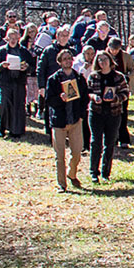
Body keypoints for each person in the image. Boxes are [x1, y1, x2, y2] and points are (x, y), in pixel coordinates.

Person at [44, 49, 86, 192]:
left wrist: (81, 116)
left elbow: (84, 99)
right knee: (59, 155)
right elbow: (48, 100)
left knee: (77, 152)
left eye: (69, 58)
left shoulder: (79, 78)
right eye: (65, 59)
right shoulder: (53, 79)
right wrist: (59, 98)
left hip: (75, 121)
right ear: (60, 62)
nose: (68, 61)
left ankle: (72, 173)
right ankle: (61, 184)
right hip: (59, 122)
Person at [86, 51, 129, 183]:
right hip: (96, 112)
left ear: (110, 61)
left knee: (109, 143)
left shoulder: (119, 77)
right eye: (99, 60)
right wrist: (94, 97)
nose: (102, 62)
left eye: (105, 59)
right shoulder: (93, 76)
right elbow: (88, 92)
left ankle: (106, 172)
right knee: (95, 142)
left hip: (113, 113)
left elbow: (126, 93)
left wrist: (115, 98)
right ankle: (94, 172)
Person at [0, 28, 34, 138]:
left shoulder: (24, 51)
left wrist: (26, 67)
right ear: (6, 38)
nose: (13, 40)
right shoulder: (0, 51)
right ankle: (1, 129)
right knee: (3, 104)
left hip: (19, 82)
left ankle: (16, 130)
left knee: (18, 105)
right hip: (5, 82)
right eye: (10, 38)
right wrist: (2, 65)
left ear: (18, 38)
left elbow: (32, 67)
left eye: (15, 38)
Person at [37, 26, 74, 136]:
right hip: (52, 85)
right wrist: (41, 87)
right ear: (57, 37)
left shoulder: (72, 51)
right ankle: (50, 133)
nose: (64, 38)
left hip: (68, 83)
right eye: (62, 35)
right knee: (51, 109)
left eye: (66, 35)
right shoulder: (49, 51)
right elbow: (41, 69)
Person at [106, 38, 134, 148]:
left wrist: (127, 78)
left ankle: (124, 138)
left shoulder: (126, 56)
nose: (114, 51)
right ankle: (111, 139)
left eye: (116, 49)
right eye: (112, 49)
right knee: (109, 113)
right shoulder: (103, 55)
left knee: (122, 112)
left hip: (122, 86)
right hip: (107, 86)